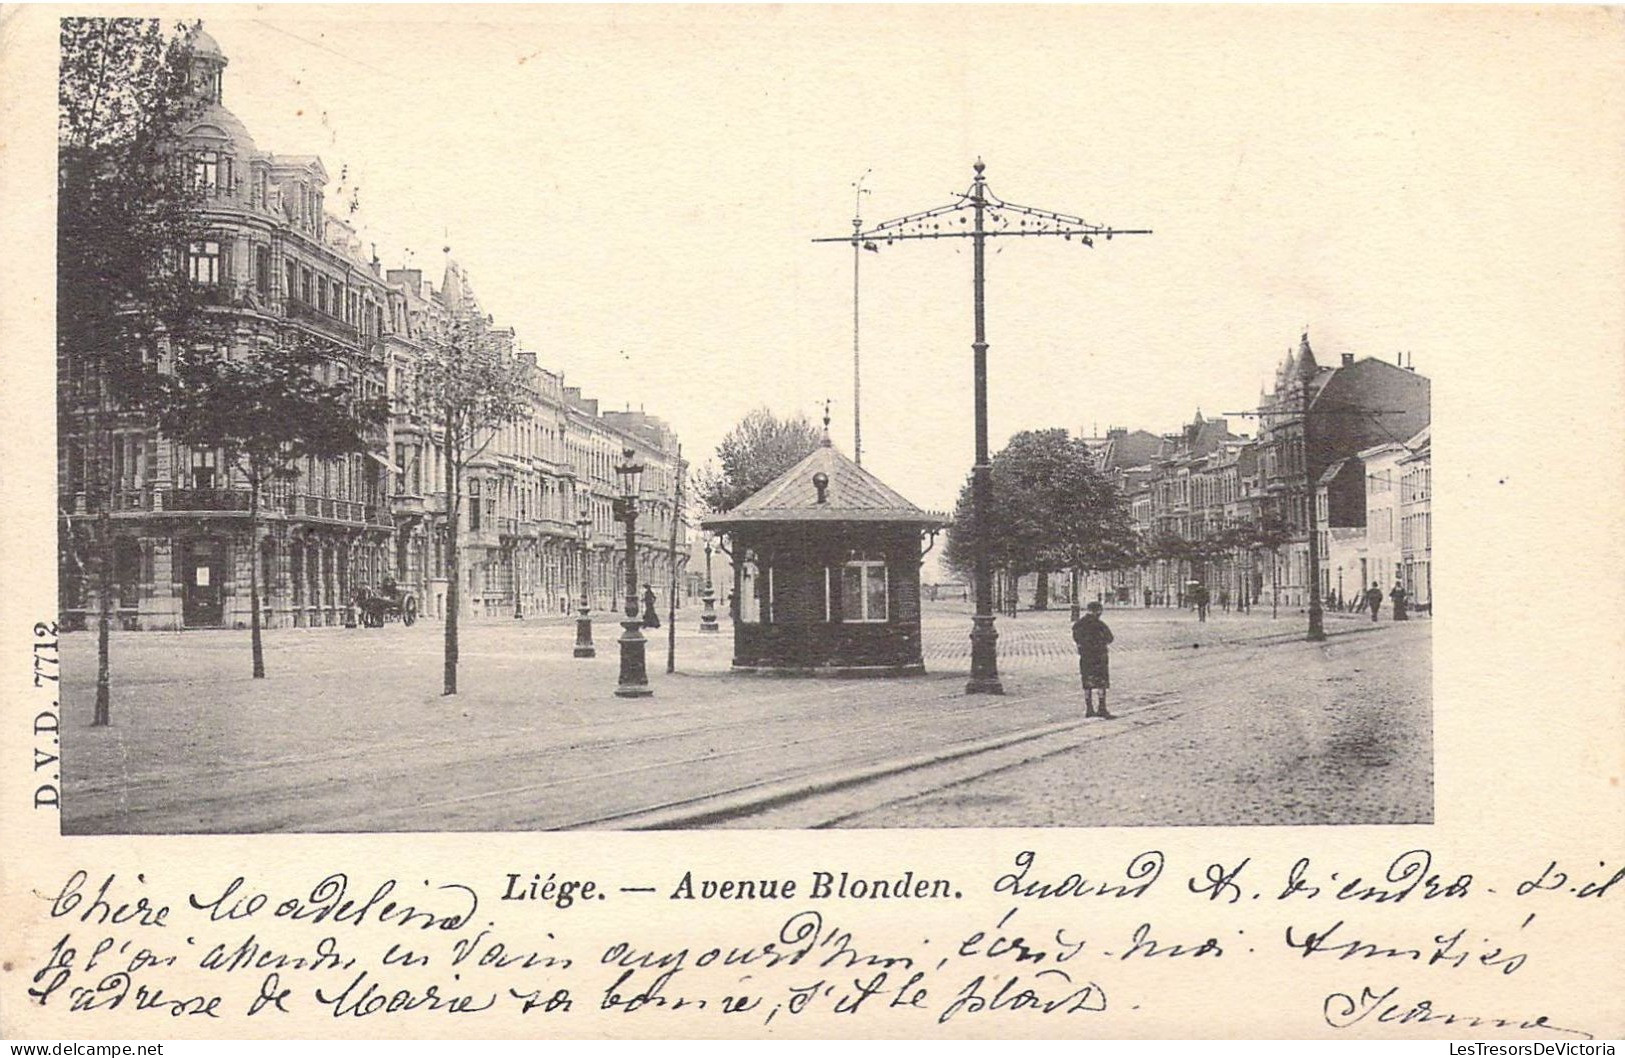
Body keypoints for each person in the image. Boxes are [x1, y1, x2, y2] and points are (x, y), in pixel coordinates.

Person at [1071, 601, 1116, 719]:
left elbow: (1076, 638)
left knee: (1087, 682)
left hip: (1086, 657)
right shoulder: (1100, 625)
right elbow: (1110, 638)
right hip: (1099, 657)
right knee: (1101, 682)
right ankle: (1102, 708)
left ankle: (1089, 709)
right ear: (1098, 611)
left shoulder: (1079, 624)